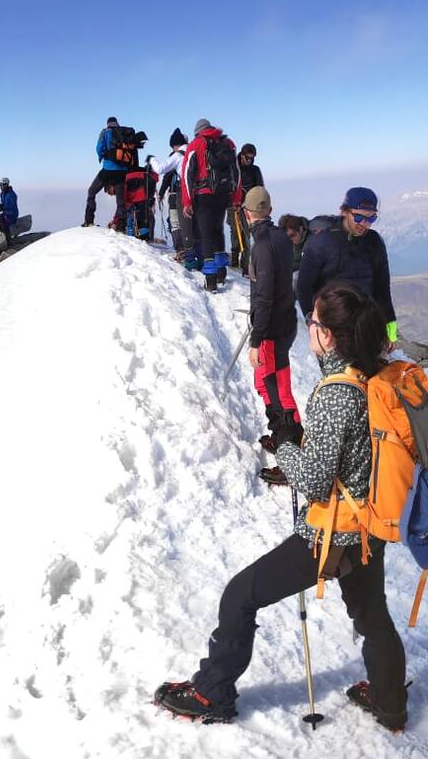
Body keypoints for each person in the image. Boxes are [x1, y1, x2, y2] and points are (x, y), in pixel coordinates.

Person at [155, 281, 408, 730]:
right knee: (372, 616)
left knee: (240, 596)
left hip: (333, 534)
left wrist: (287, 447)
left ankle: (212, 693)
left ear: (327, 335)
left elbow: (314, 482)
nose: (309, 327)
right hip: (370, 524)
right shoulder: (373, 374)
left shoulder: (336, 392)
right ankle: (390, 703)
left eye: (313, 321)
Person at [242, 187, 301, 470]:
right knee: (265, 384)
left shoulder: (262, 246)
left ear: (246, 213)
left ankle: (292, 457)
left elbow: (264, 296)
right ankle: (281, 438)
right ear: (270, 210)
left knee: (277, 390)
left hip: (272, 331)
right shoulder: (280, 237)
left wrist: (256, 340)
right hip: (285, 322)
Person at [296, 187, 397, 345]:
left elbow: (382, 286)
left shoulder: (374, 242)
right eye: (358, 217)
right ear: (344, 211)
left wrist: (390, 327)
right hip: (331, 328)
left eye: (371, 218)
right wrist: (312, 322)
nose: (364, 224)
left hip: (365, 325)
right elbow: (304, 286)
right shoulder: (321, 243)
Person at [182, 118, 240, 292]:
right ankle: (222, 271)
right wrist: (236, 198)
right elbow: (236, 172)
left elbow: (187, 175)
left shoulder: (195, 144)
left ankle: (211, 279)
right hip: (223, 194)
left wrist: (187, 201)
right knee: (218, 229)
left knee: (206, 234)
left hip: (203, 196)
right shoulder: (228, 143)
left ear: (197, 131)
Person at [229, 143, 265, 270]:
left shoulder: (255, 170)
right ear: (242, 155)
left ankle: (245, 267)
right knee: (235, 232)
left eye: (252, 158)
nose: (250, 160)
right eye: (247, 158)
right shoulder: (232, 167)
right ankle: (234, 262)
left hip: (248, 207)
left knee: (246, 235)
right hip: (232, 205)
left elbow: (260, 189)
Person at [157, 128, 190, 259]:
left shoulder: (175, 157)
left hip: (175, 193)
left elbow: (167, 177)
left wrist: (161, 193)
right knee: (188, 221)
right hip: (190, 193)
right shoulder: (191, 155)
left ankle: (180, 249)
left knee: (175, 222)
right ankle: (191, 249)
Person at [0, 177, 19, 242]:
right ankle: (1, 237)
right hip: (5, 214)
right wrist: (0, 206)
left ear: (7, 185)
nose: (2, 186)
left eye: (4, 184)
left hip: (12, 215)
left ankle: (8, 240)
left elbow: (12, 206)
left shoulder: (11, 194)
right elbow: (3, 203)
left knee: (4, 224)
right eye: (1, 185)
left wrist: (3, 207)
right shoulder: (2, 194)